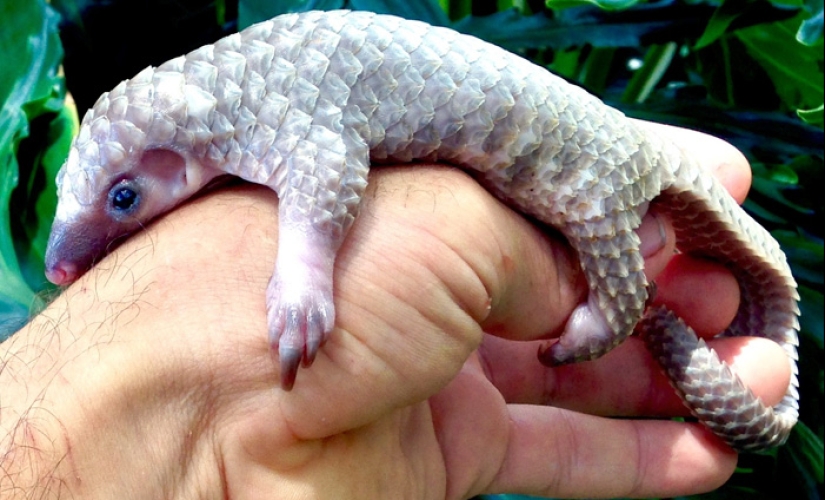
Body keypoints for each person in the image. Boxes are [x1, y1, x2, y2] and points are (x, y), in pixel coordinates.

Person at [0, 123, 791, 499]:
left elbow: (322, 158)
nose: (71, 267)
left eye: (125, 201)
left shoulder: (266, 122)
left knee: (604, 244)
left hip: (574, 162)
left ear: (171, 160)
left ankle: (622, 307)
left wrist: (306, 273)